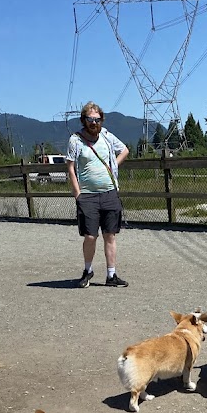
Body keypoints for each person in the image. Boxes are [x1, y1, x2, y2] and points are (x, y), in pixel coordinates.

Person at [66, 102, 130, 288]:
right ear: (84, 120)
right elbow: (70, 167)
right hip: (87, 195)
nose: (94, 122)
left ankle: (111, 275)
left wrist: (113, 166)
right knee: (90, 236)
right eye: (90, 119)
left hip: (109, 192)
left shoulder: (107, 136)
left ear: (101, 120)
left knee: (110, 235)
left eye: (97, 119)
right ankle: (88, 270)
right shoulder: (75, 140)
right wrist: (77, 193)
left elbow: (124, 150)